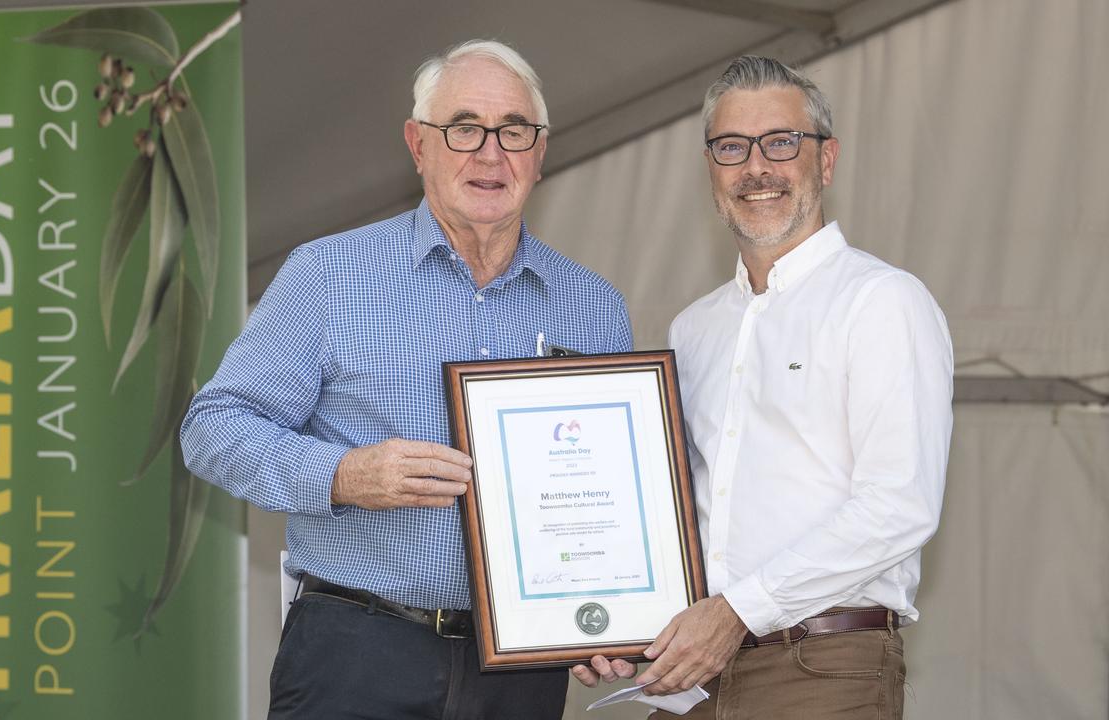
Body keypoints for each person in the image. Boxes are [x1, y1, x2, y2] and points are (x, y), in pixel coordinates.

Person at [181, 39, 632, 719]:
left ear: (540, 153)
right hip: (356, 650)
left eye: (514, 130)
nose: (490, 153)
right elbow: (212, 430)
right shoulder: (328, 276)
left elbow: (612, 494)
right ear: (418, 145)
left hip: (519, 671)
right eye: (464, 129)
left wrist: (605, 613)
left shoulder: (594, 308)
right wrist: (342, 474)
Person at [572, 55, 952, 719]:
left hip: (822, 667)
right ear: (710, 169)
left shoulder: (882, 302)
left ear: (825, 161)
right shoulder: (694, 329)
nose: (756, 168)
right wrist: (604, 621)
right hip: (697, 675)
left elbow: (898, 505)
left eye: (781, 142)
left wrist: (736, 612)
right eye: (730, 147)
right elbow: (680, 516)